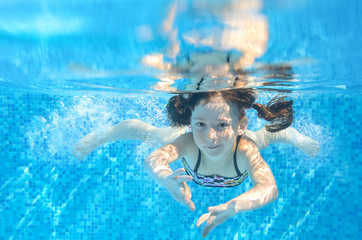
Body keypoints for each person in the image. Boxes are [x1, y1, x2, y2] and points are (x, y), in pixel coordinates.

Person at [74, 89, 319, 237]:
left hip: (243, 143)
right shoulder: (190, 142)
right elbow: (154, 158)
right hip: (189, 147)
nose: (210, 137)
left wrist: (237, 205)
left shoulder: (245, 150)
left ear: (239, 126)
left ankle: (296, 137)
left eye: (222, 125)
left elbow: (269, 187)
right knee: (146, 132)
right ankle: (102, 135)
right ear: (191, 121)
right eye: (200, 124)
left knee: (269, 135)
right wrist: (164, 177)